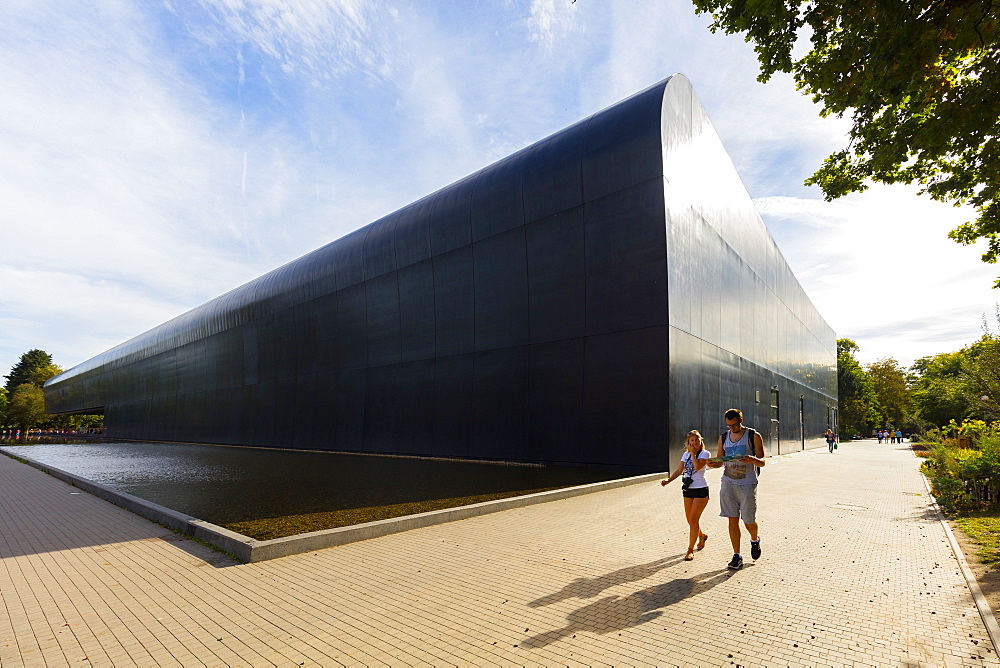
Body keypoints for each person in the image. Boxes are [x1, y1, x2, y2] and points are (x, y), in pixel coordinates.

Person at [708, 408, 765, 570]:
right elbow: (720, 461)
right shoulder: (724, 438)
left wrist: (751, 459)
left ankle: (754, 539)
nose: (731, 429)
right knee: (732, 519)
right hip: (728, 483)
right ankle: (736, 555)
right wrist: (713, 463)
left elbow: (762, 462)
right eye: (728, 426)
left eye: (734, 425)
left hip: (747, 484)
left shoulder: (753, 436)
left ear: (741, 421)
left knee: (748, 521)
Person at [661, 430, 711, 560]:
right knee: (690, 520)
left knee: (694, 520)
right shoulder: (685, 454)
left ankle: (690, 549)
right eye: (692, 440)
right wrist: (668, 481)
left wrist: (693, 454)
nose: (694, 442)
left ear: (701, 440)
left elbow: (697, 467)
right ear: (688, 442)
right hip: (688, 489)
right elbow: (679, 470)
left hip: (701, 489)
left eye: (697, 440)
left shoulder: (705, 453)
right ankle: (702, 535)